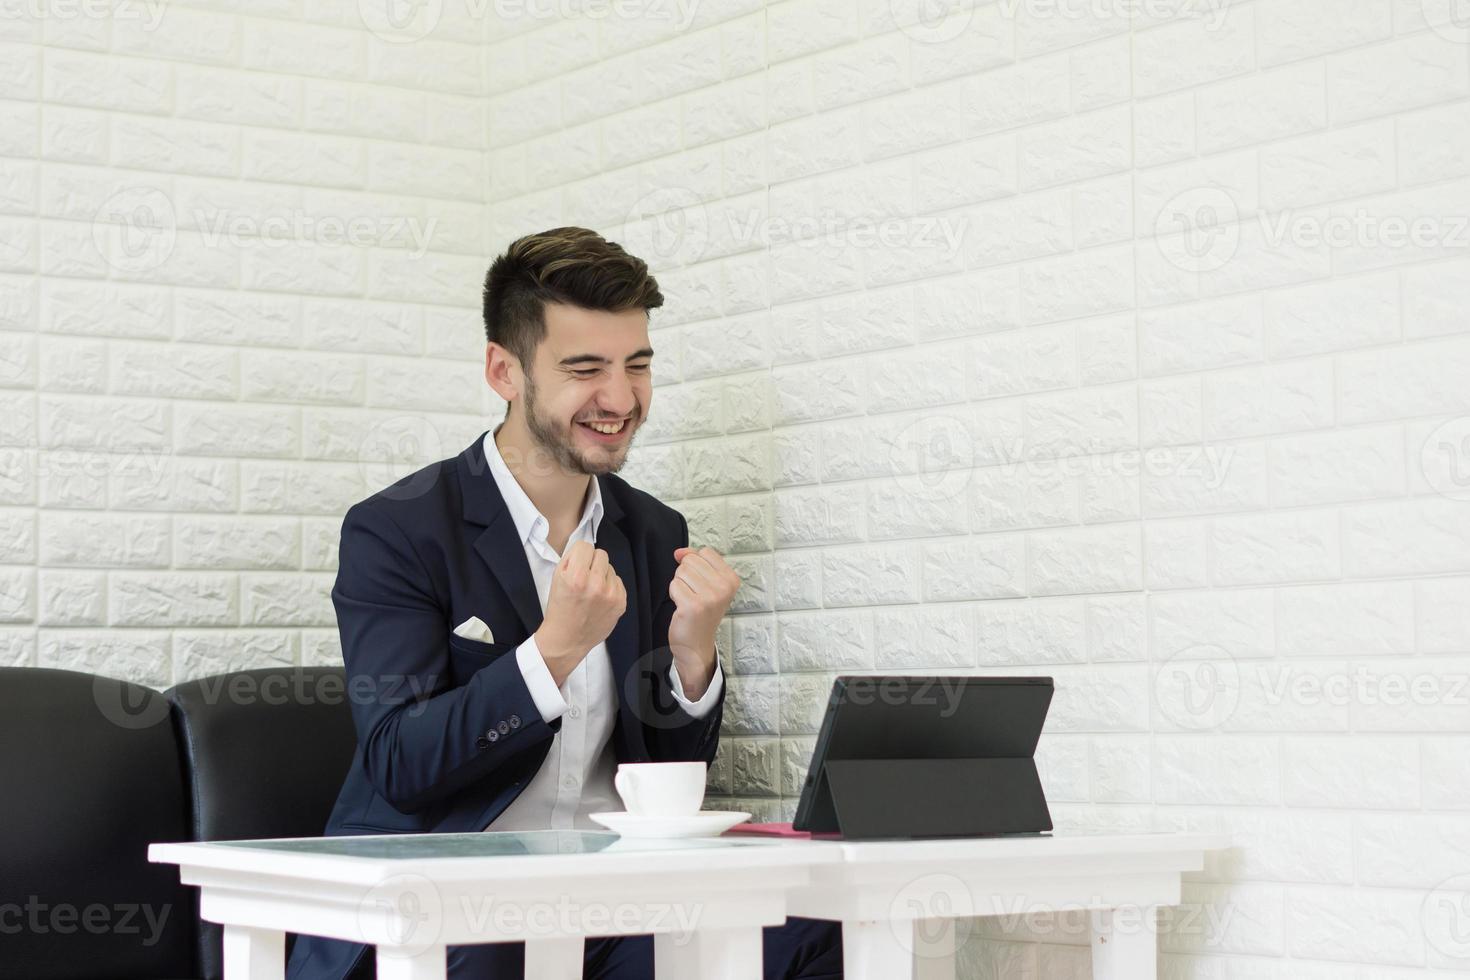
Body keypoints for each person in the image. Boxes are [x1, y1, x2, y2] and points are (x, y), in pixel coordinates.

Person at [285, 227, 842, 979]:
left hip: (609, 906)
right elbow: (400, 763)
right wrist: (553, 651)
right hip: (448, 902)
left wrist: (692, 657)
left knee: (812, 935)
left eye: (636, 366)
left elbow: (666, 779)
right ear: (504, 371)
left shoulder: (650, 532)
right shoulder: (400, 530)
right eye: (586, 369)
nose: (620, 400)